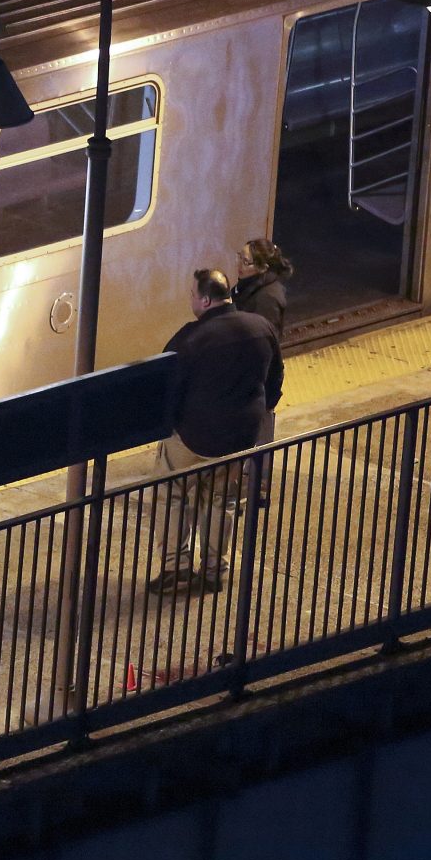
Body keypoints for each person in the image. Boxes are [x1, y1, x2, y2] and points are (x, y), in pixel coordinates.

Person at [151, 268, 281, 593]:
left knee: (173, 494)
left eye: (193, 296)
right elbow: (275, 381)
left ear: (206, 300)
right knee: (222, 501)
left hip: (193, 436)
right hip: (239, 438)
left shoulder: (191, 338)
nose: (192, 301)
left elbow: (166, 386)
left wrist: (167, 424)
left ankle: (175, 570)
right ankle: (214, 572)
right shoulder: (260, 327)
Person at [233, 237, 293, 508]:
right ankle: (250, 484)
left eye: (245, 261)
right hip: (251, 376)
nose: (239, 265)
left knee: (259, 432)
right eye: (239, 257)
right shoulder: (248, 289)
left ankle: (256, 489)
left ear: (260, 267)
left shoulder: (266, 299)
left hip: (259, 378)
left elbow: (264, 343)